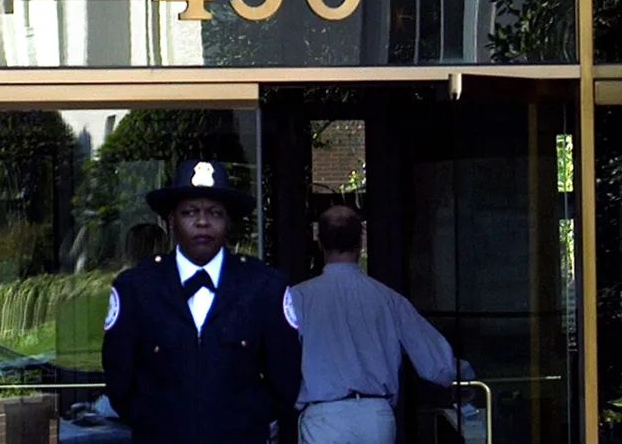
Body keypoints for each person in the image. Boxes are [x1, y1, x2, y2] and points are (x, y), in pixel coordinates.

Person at [102, 160, 301, 444]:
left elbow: (285, 380)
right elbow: (119, 380)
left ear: (229, 219)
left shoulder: (264, 287)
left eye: (215, 212)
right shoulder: (136, 288)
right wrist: (158, 424)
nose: (202, 222)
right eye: (190, 212)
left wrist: (243, 423)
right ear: (171, 219)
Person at [289, 205, 470, 444]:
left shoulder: (298, 298)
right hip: (375, 415)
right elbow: (433, 361)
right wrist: (464, 376)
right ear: (361, 242)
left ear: (320, 243)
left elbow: (281, 359)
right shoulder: (388, 298)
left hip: (324, 417)